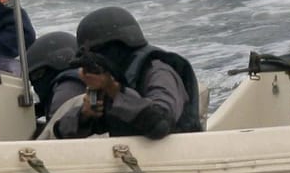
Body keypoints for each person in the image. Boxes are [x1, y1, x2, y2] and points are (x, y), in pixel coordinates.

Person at [49, 7, 200, 140]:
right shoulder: (118, 79)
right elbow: (61, 132)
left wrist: (114, 91)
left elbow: (160, 124)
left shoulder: (159, 72)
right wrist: (85, 114)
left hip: (180, 162)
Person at [25, 31, 82, 137]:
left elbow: (56, 139)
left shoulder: (67, 89)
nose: (35, 83)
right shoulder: (83, 82)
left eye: (37, 75)